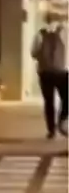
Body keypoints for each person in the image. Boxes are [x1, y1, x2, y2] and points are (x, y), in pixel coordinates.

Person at [31, 11, 68, 139]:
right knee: (66, 98)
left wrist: (42, 57)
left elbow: (33, 53)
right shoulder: (64, 33)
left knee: (49, 101)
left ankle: (51, 130)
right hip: (62, 72)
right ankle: (62, 120)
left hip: (45, 72)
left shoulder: (39, 34)